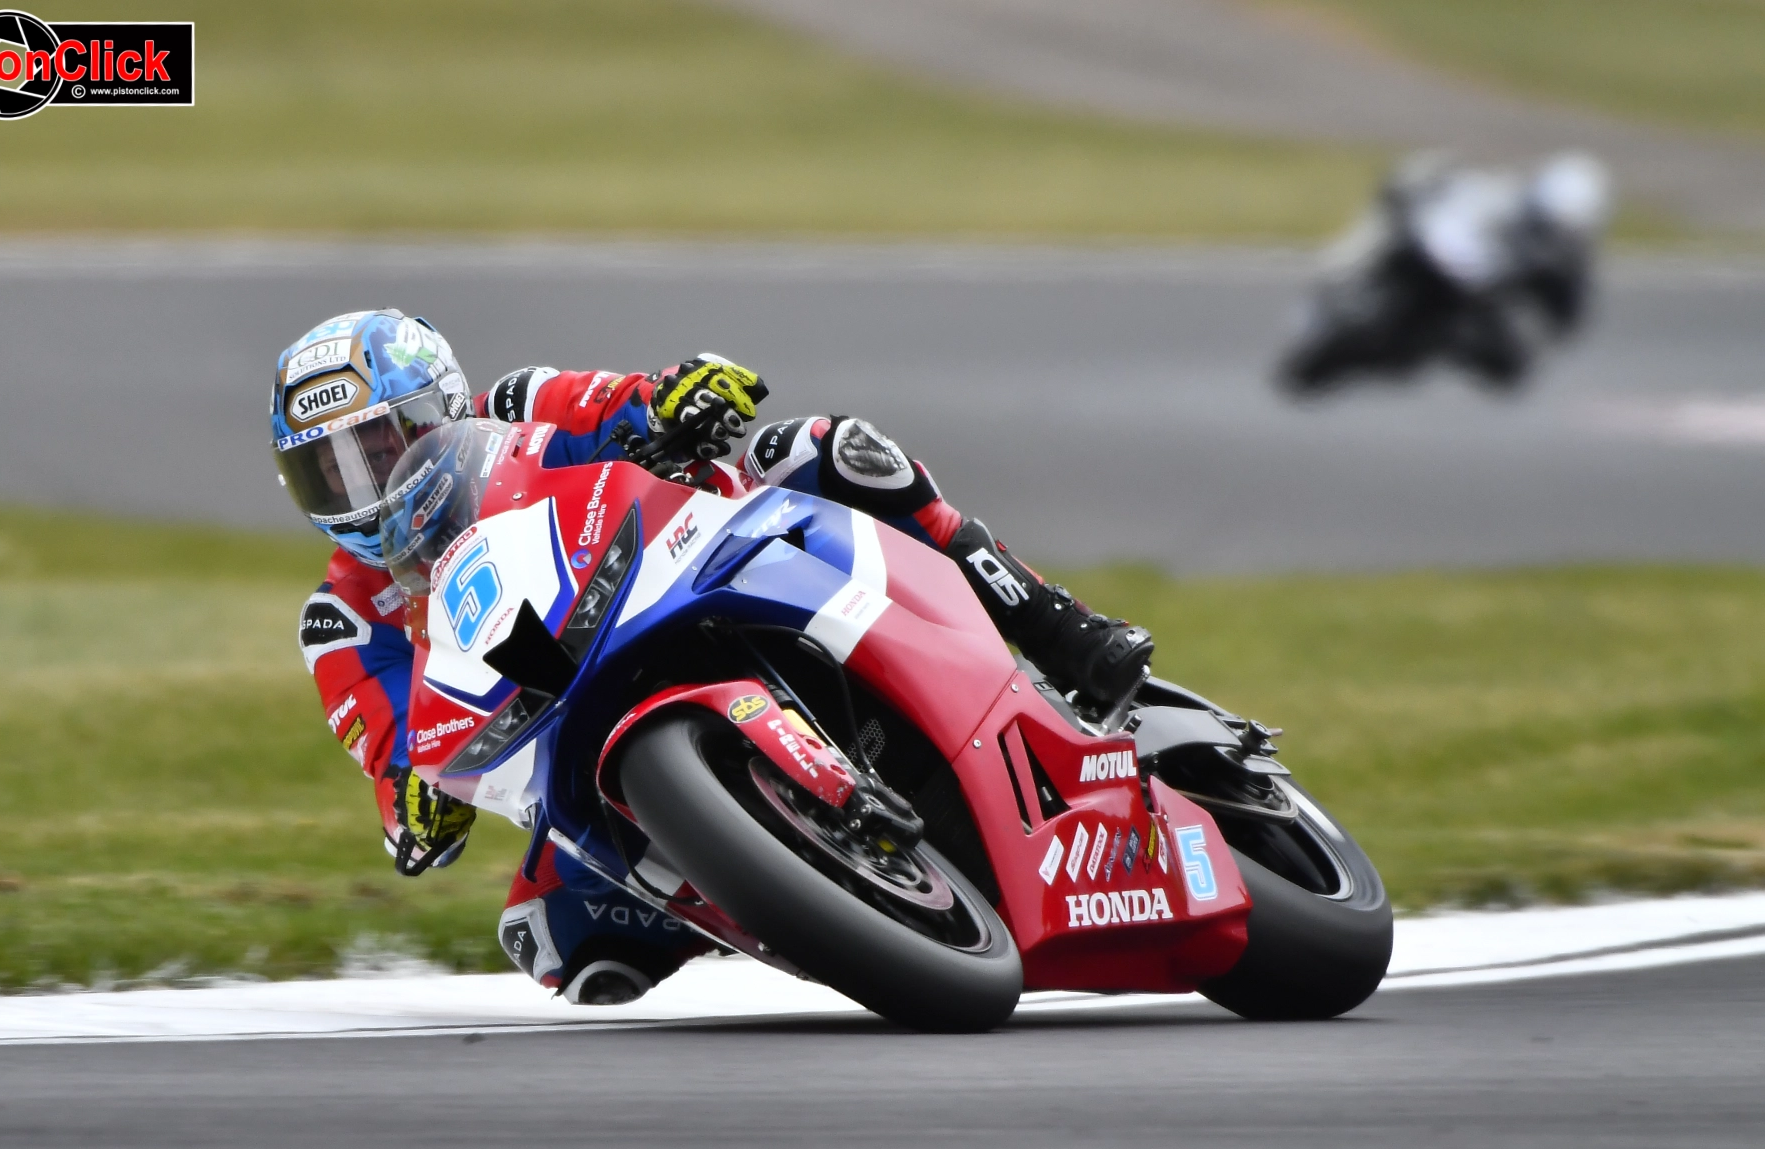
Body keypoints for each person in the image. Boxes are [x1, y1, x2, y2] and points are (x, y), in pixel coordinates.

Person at [272, 309, 1153, 1004]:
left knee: (822, 451)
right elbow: (393, 753)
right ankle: (773, 882)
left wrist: (677, 397)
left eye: (380, 446)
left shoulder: (517, 408)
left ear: (439, 407)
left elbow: (618, 406)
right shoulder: (343, 619)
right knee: (562, 945)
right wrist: (416, 807)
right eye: (331, 471)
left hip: (681, 568)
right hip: (554, 721)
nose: (367, 485)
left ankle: (1057, 628)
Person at [1277, 151, 1611, 393]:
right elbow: (1443, 192)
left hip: (1482, 301)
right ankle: (1337, 274)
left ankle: (1434, 345)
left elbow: (1567, 324)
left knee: (1511, 367)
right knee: (1384, 231)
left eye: (1555, 228)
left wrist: (1522, 320)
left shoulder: (1571, 266)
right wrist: (1422, 199)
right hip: (1446, 262)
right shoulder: (1501, 194)